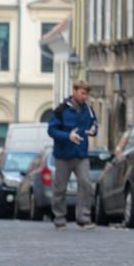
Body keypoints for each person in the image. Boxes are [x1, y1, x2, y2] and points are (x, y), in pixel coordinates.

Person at [47, 79, 98, 230]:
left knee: (86, 184)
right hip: (63, 155)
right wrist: (68, 136)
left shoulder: (88, 109)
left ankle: (83, 217)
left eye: (86, 94)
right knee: (60, 188)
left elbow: (94, 124)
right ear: (74, 91)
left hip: (81, 155)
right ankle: (60, 219)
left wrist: (93, 131)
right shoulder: (61, 109)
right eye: (82, 93)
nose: (85, 97)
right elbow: (51, 130)